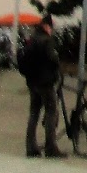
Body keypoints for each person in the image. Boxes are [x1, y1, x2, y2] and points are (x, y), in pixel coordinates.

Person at [17, 15, 63, 158]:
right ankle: (51, 148)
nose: (51, 30)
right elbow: (52, 59)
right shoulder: (46, 40)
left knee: (34, 113)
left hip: (32, 82)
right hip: (45, 82)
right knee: (50, 112)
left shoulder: (32, 39)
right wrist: (57, 65)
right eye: (51, 27)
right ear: (46, 26)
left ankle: (30, 147)